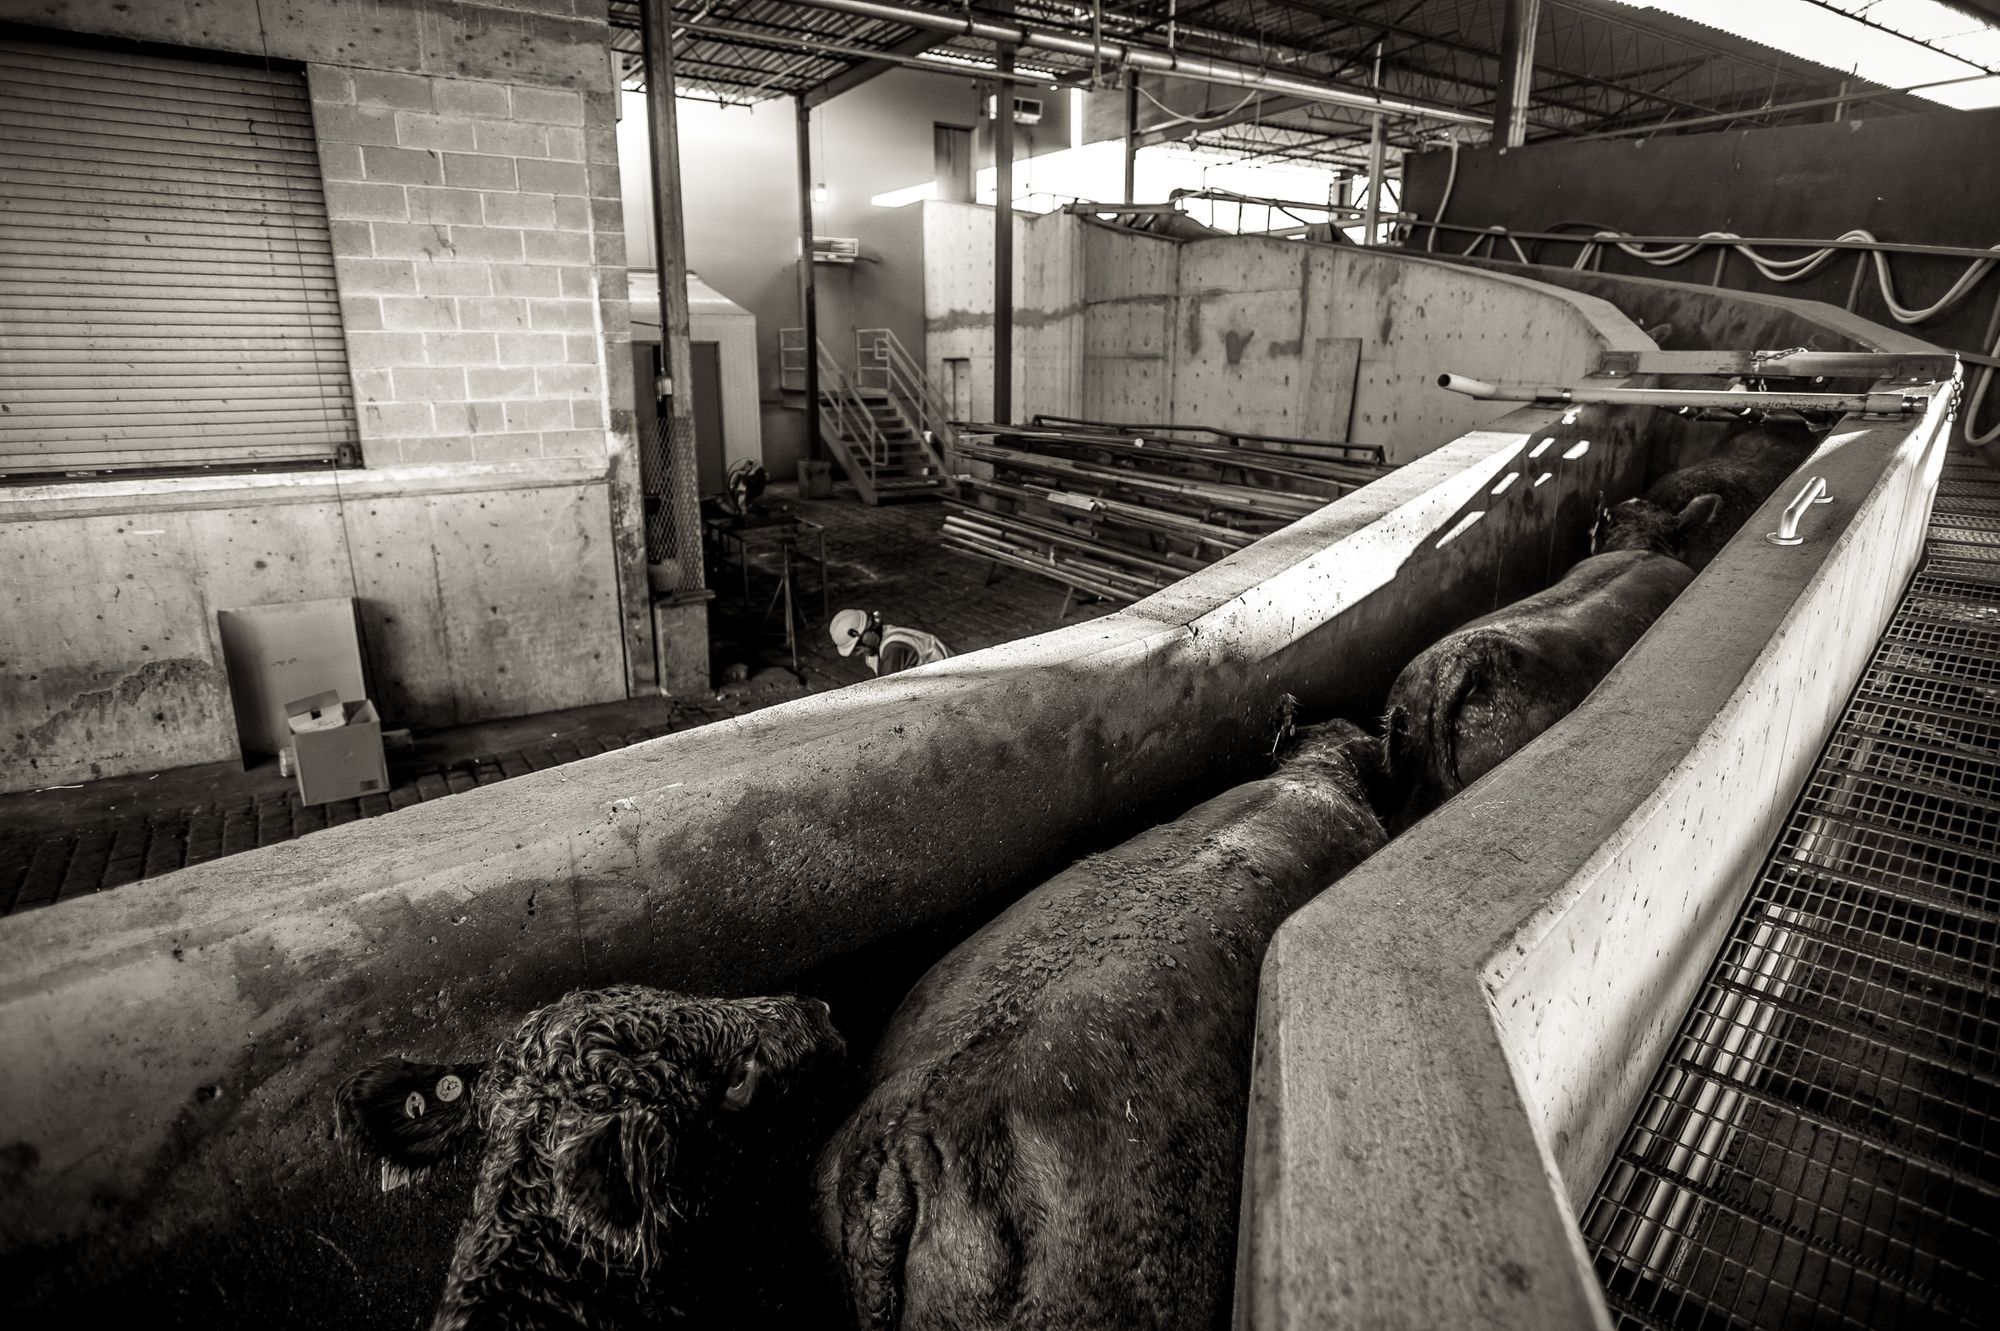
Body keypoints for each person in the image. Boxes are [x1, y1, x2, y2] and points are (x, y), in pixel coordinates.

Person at [828, 608, 952, 676]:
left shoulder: (893, 649)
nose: (857, 654)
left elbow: (886, 695)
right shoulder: (885, 634)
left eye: (857, 649)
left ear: (868, 637)